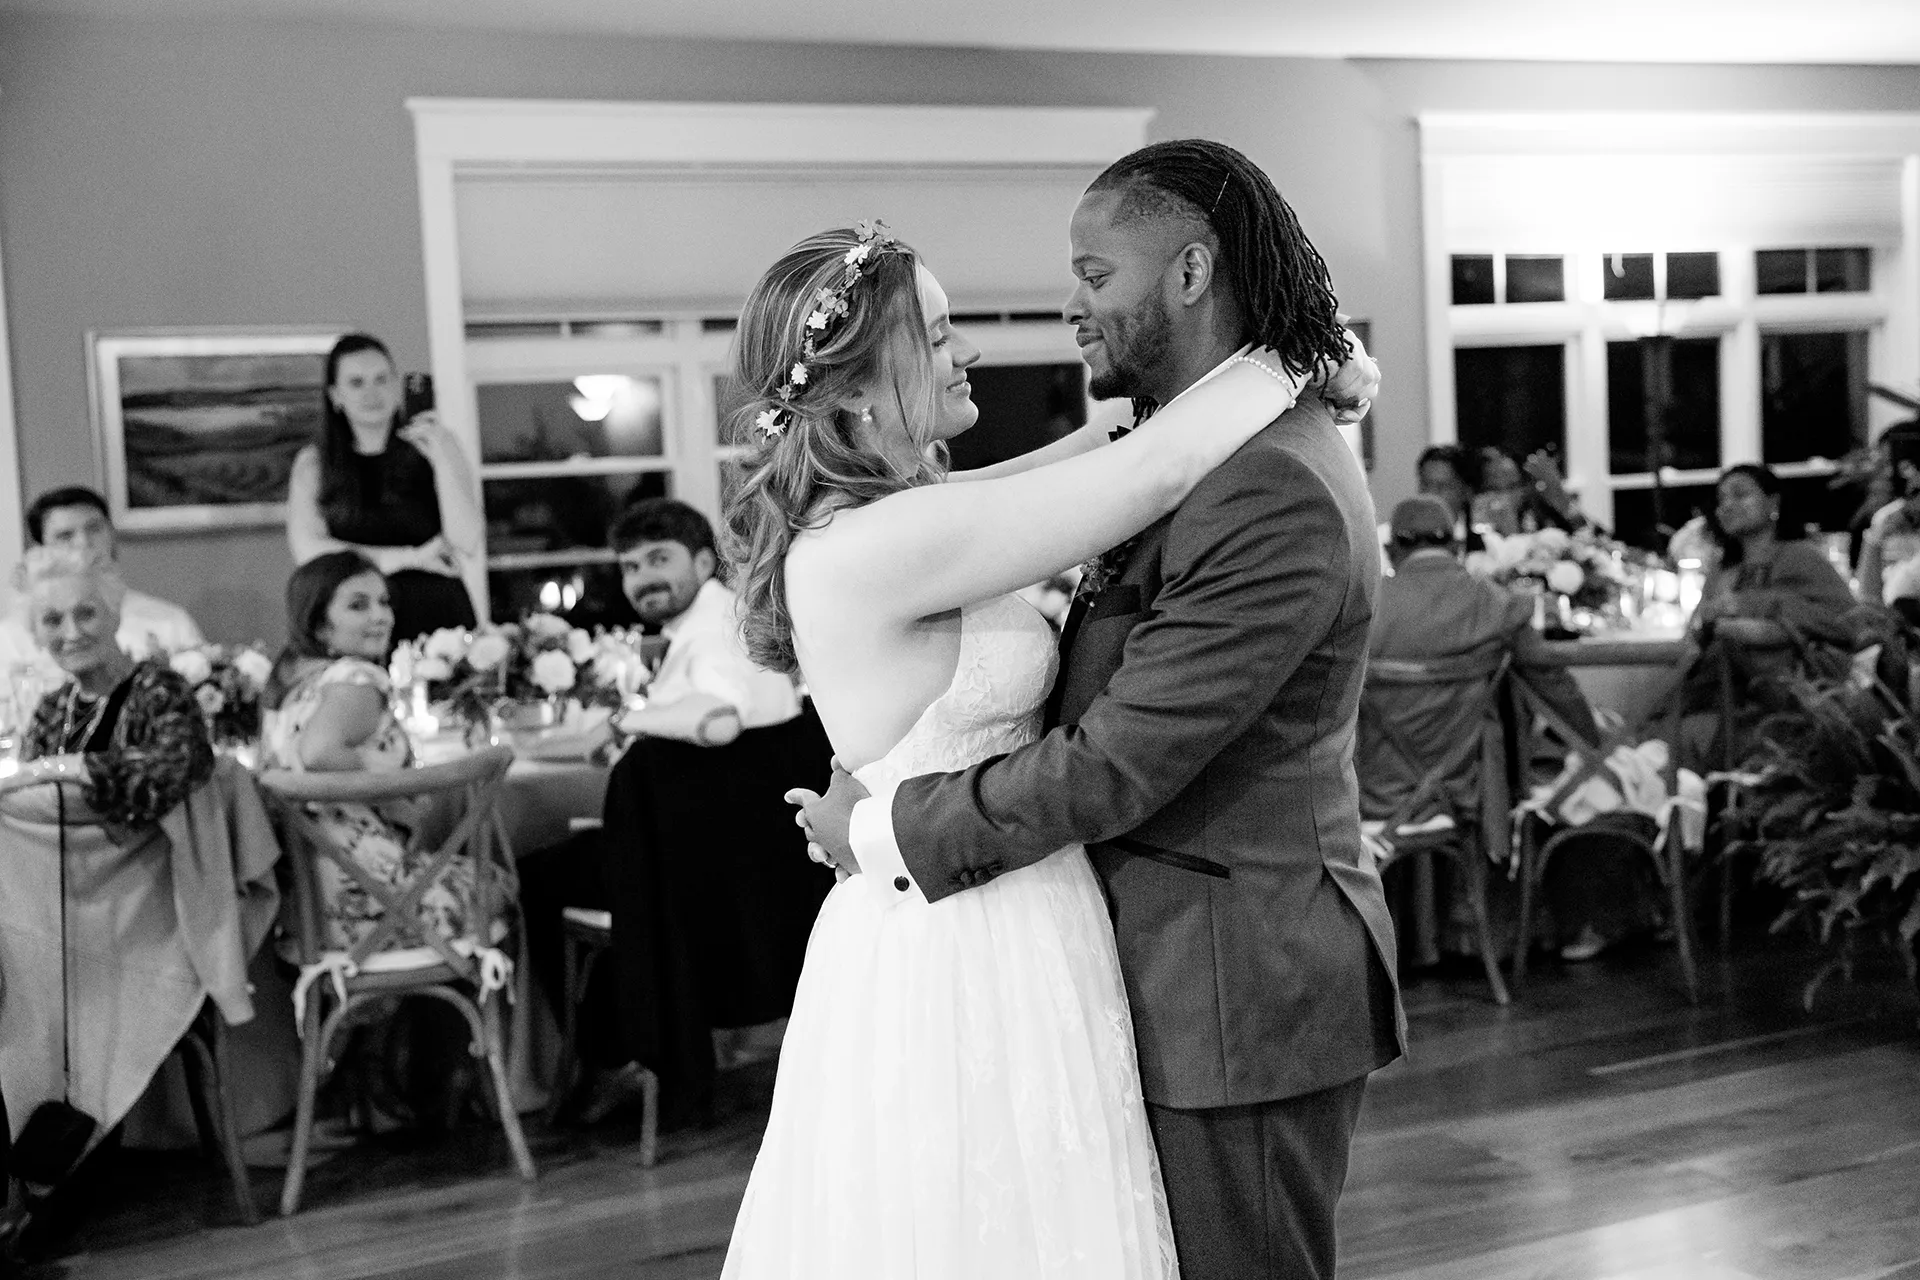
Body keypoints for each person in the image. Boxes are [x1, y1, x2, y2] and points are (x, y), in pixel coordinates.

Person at [766, 143, 1394, 1279]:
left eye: (1094, 274)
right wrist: (1310, 357)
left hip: (1209, 980)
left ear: (1192, 273)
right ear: (857, 387)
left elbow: (1125, 488)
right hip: (999, 943)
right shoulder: (886, 535)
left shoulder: (1268, 483)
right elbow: (1131, 474)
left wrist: (1314, 357)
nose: (1063, 308)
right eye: (939, 332)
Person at [517, 499, 824, 1126]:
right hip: (759, 861)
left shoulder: (712, 633)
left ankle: (609, 1054)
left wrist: (623, 719)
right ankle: (627, 1044)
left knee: (533, 876)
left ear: (705, 560)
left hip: (699, 877)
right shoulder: (725, 618)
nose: (642, 578)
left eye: (659, 559)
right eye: (631, 566)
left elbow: (720, 719)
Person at [1368, 496, 1645, 965]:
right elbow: (1554, 686)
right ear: (1457, 546)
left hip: (1366, 795)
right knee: (1561, 763)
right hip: (1461, 790)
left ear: (1393, 548)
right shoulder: (1496, 604)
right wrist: (1594, 743)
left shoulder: (1363, 604)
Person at [286, 334, 482, 645]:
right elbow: (308, 551)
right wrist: (411, 557)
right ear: (335, 395)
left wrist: (442, 459)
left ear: (396, 385)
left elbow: (468, 539)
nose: (371, 393)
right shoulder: (314, 464)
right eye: (357, 383)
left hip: (436, 616)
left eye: (381, 379)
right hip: (357, 622)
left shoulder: (441, 447)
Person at [0, 487, 203, 685]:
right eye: (65, 536)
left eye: (94, 529)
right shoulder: (11, 638)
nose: (83, 543)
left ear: (112, 533)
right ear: (41, 549)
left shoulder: (170, 622)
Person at [1855, 421, 1920, 608]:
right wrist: (1876, 539)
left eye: (1888, 464)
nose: (1884, 474)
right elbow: (1868, 599)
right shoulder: (1886, 518)